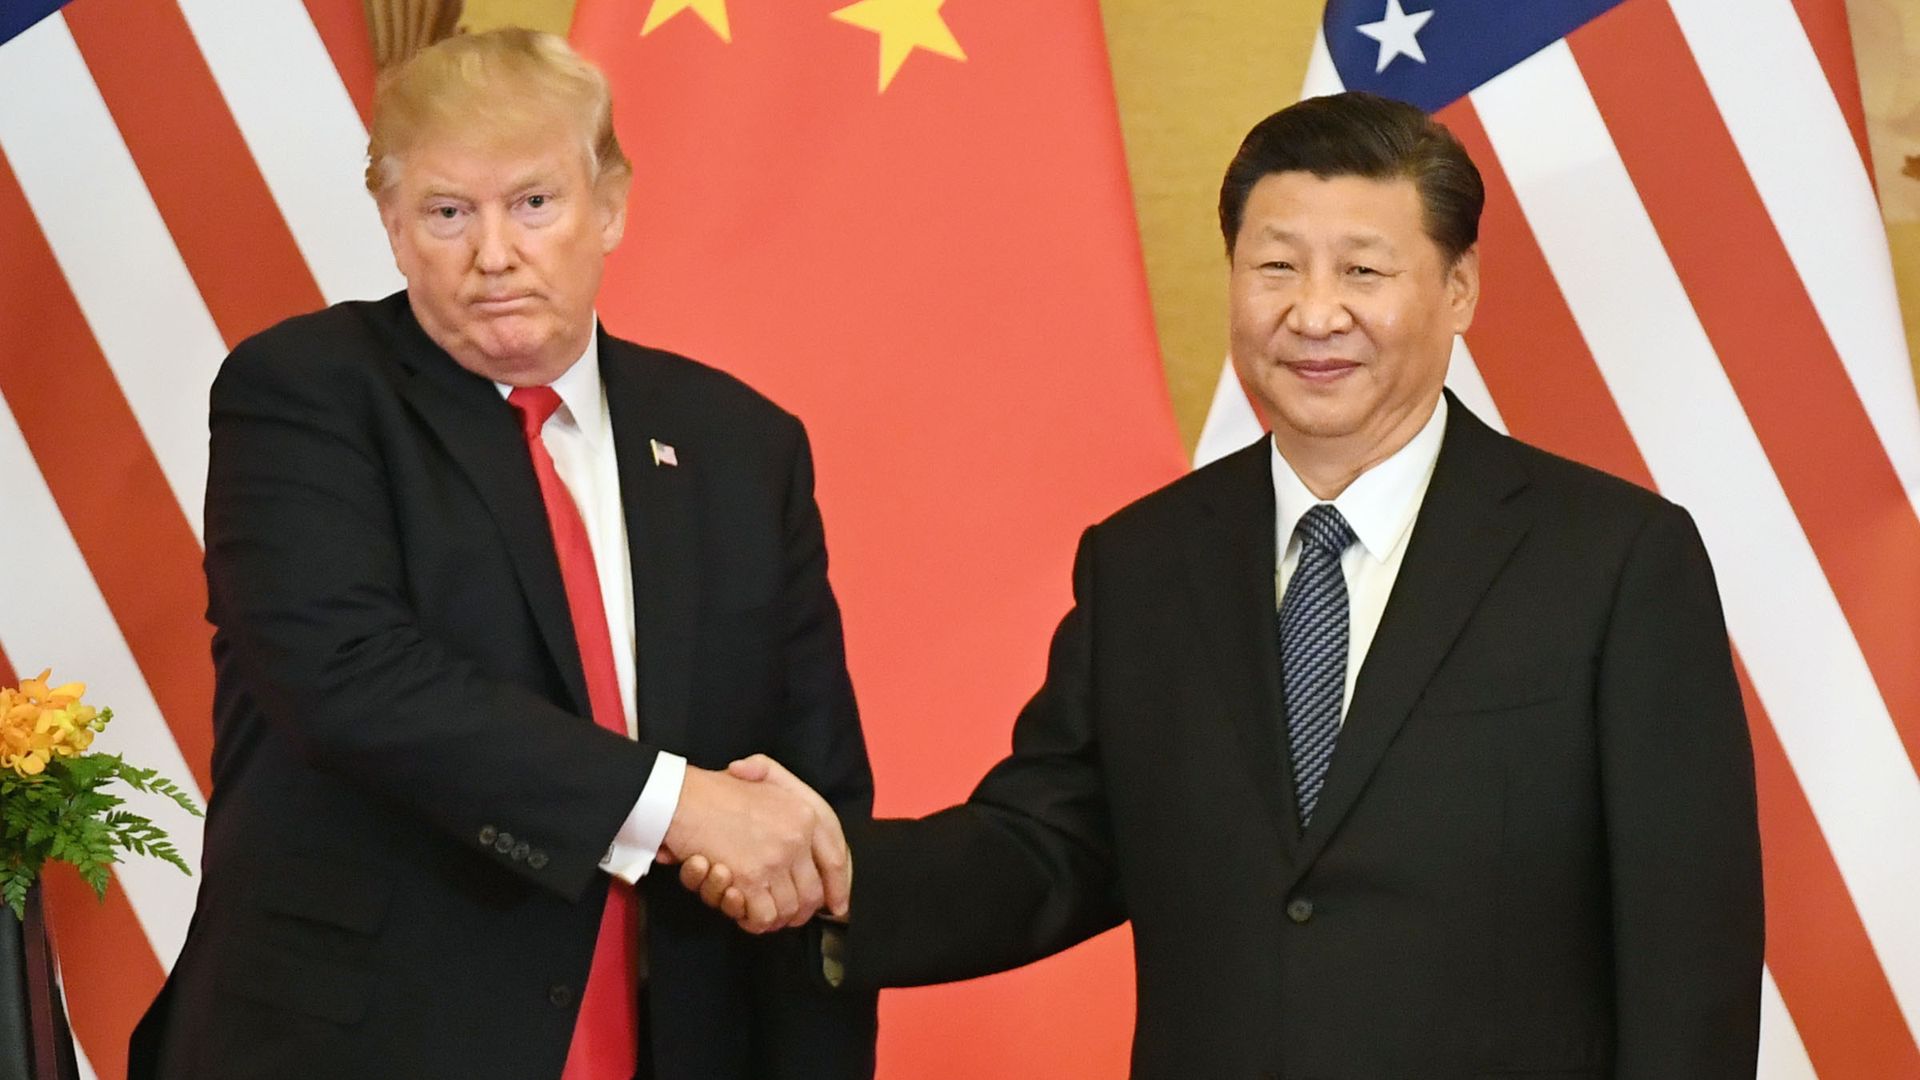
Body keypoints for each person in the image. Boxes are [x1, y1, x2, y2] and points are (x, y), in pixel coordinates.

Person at [687, 91, 1765, 1078]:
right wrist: (829, 866)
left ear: (1460, 290)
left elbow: (1689, 955)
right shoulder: (1147, 561)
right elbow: (1050, 846)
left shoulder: (1615, 560)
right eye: (1277, 267)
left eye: (1364, 272)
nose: (1314, 314)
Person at [128, 28, 872, 1080]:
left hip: (675, 1035)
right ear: (391, 225)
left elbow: (812, 781)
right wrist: (681, 805)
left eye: (533, 203)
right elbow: (349, 682)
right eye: (446, 212)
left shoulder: (740, 444)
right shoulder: (304, 393)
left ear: (608, 204)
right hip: (366, 1043)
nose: (493, 253)